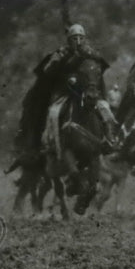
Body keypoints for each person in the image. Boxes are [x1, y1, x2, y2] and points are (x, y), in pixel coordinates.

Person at [16, 23, 112, 165]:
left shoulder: (90, 53)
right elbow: (48, 71)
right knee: (54, 112)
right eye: (74, 38)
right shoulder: (62, 53)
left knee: (105, 108)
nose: (78, 41)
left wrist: (88, 56)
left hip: (87, 93)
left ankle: (109, 140)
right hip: (64, 93)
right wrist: (63, 61)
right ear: (69, 40)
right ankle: (50, 143)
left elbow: (100, 66)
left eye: (81, 38)